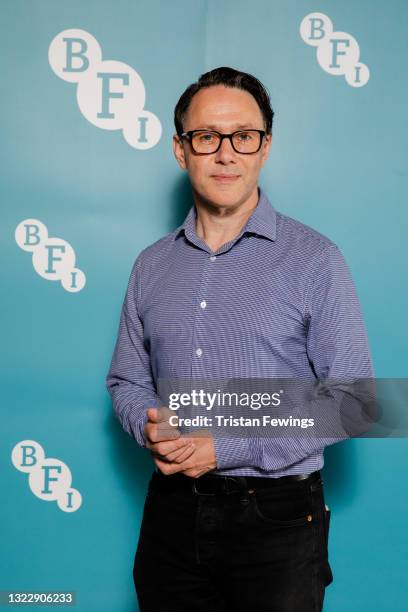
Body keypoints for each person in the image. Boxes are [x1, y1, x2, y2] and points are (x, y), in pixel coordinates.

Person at [106, 66, 374, 611]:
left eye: (243, 136)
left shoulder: (314, 258)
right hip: (171, 514)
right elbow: (127, 378)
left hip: (277, 520)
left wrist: (223, 446)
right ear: (181, 151)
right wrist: (151, 426)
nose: (226, 153)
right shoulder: (150, 265)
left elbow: (355, 402)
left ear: (264, 147)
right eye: (207, 137)